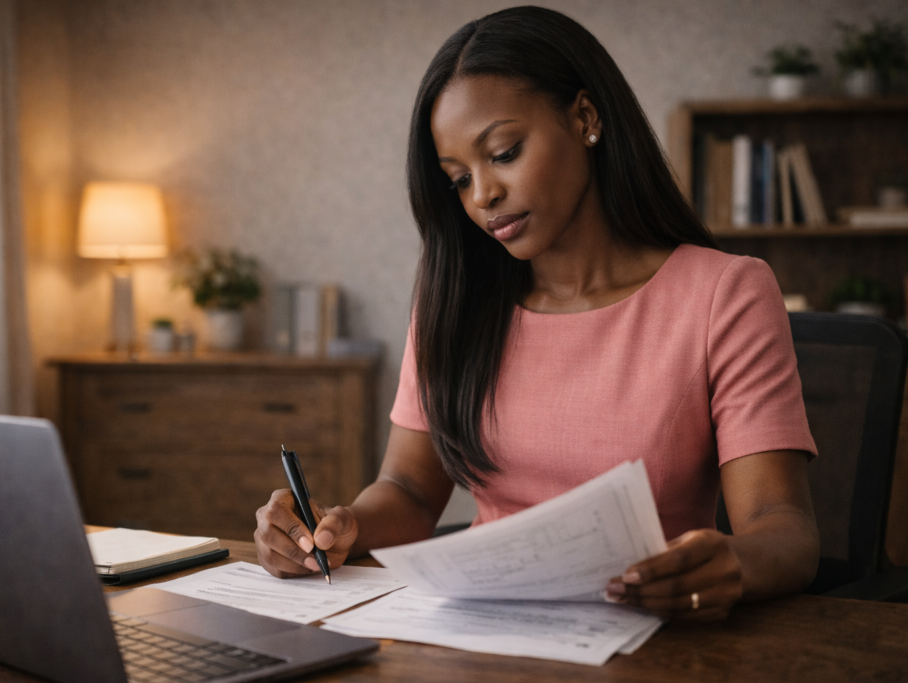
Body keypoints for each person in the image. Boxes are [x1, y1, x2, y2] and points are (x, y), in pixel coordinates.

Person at [255, 6, 819, 622]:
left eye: (503, 152)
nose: (483, 196)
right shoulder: (456, 300)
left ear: (584, 118)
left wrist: (731, 564)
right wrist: (340, 530)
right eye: (458, 179)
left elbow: (781, 528)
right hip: (481, 630)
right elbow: (412, 492)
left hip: (650, 632)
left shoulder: (724, 294)